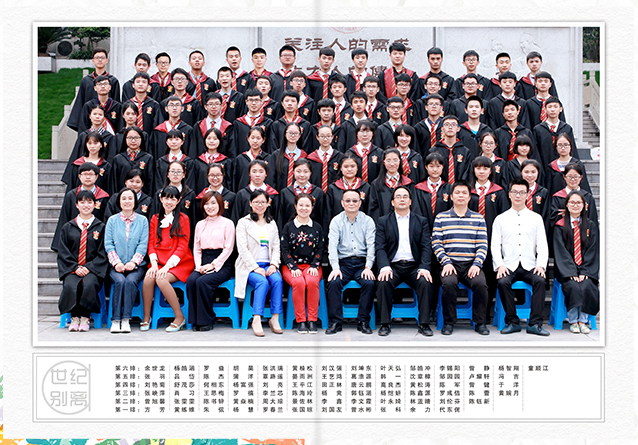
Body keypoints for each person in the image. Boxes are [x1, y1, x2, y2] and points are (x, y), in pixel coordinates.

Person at [492, 178, 549, 336]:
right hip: (508, 265)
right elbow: (495, 246)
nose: (518, 195)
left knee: (540, 281)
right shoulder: (500, 219)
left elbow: (542, 245)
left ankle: (535, 324)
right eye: (515, 192)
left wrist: (540, 265)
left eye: (522, 192)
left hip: (530, 265)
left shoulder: (536, 218)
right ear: (509, 194)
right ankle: (512, 322)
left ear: (527, 194)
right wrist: (500, 265)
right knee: (503, 282)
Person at [432, 180, 490, 336]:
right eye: (457, 192)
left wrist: (477, 264)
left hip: (471, 264)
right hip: (450, 264)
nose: (461, 196)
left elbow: (482, 245)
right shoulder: (441, 218)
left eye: (464, 193)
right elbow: (436, 243)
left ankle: (480, 322)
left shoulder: (478, 218)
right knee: (449, 284)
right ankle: (449, 323)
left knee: (480, 284)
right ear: (451, 196)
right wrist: (446, 262)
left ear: (470, 197)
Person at [376, 186, 434, 337]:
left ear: (410, 201)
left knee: (425, 282)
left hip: (414, 266)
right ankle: (385, 323)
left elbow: (426, 246)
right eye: (398, 197)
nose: (402, 199)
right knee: (383, 282)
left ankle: (424, 324)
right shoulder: (383, 221)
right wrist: (384, 266)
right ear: (392, 202)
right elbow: (380, 247)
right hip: (393, 266)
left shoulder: (421, 221)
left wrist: (424, 267)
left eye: (405, 197)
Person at [142, 185, 195, 332]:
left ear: (178, 201)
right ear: (161, 199)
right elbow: (151, 243)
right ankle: (146, 317)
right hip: (158, 261)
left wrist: (167, 267)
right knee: (148, 278)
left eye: (172, 199)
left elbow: (183, 246)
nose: (169, 202)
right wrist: (154, 264)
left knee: (161, 279)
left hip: (179, 263)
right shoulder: (155, 218)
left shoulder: (183, 219)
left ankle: (179, 316)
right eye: (166, 198)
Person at [326, 189, 376, 335]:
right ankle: (336, 322)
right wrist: (335, 268)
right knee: (333, 283)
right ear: (342, 203)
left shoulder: (368, 221)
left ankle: (363, 321)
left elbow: (371, 245)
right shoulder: (336, 221)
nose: (351, 203)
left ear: (360, 203)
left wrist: (368, 267)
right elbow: (332, 246)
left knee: (369, 283)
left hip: (362, 264)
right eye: (348, 201)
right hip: (343, 264)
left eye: (355, 201)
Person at [57, 190, 109, 332]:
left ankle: (85, 317)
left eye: (89, 202)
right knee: (71, 284)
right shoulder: (68, 227)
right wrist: (75, 267)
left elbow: (103, 253)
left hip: (92, 269)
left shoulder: (101, 227)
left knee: (89, 284)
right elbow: (63, 252)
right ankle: (74, 317)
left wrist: (88, 267)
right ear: (76, 205)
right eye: (82, 202)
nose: (86, 205)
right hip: (72, 268)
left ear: (95, 204)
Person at [235, 189, 284, 337]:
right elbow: (242, 249)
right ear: (250, 203)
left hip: (268, 264)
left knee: (277, 280)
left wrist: (274, 264)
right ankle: (256, 319)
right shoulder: (243, 223)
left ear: (268, 203)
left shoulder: (271, 223)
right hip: (249, 266)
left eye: (263, 202)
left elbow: (276, 246)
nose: (260, 205)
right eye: (256, 202)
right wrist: (255, 267)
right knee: (262, 282)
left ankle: (275, 318)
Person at [185, 190, 235, 331]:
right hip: (203, 260)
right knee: (191, 280)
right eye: (206, 204)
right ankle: (195, 319)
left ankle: (206, 319)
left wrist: (213, 265)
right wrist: (198, 266)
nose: (210, 207)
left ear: (220, 205)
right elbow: (197, 248)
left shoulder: (228, 223)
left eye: (213, 203)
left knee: (203, 282)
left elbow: (229, 248)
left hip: (222, 263)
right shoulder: (200, 224)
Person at [553, 190, 599, 334]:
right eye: (572, 202)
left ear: (584, 205)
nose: (575, 205)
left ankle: (583, 321)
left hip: (586, 268)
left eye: (579, 202)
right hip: (566, 270)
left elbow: (593, 251)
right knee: (572, 285)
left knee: (587, 285)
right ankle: (573, 321)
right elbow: (561, 252)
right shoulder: (559, 226)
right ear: (566, 205)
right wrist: (571, 272)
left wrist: (585, 271)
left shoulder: (590, 225)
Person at [104, 187, 149, 333]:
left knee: (130, 281)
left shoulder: (143, 220)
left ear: (135, 201)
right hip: (115, 265)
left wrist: (133, 262)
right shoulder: (112, 220)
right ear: (119, 201)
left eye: (130, 198)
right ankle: (116, 320)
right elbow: (108, 244)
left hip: (137, 265)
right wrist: (117, 263)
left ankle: (126, 319)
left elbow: (143, 244)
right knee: (120, 281)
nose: (127, 201)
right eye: (124, 198)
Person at [280, 193, 325, 334]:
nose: (304, 208)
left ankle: (312, 320)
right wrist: (292, 267)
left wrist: (315, 265)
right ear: (295, 206)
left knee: (312, 282)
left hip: (311, 266)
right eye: (301, 205)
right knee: (298, 282)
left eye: (307, 205)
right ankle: (301, 321)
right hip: (291, 266)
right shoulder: (288, 227)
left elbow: (320, 249)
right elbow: (284, 250)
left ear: (312, 207)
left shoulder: (317, 227)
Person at [51, 163, 110, 253]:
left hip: (95, 239)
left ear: (96, 177)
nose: (88, 177)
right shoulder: (71, 195)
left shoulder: (104, 197)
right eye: (84, 174)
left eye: (91, 174)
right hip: (74, 237)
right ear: (79, 176)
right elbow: (65, 217)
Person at [67, 48, 121, 131]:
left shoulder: (113, 81)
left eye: (102, 58)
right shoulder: (86, 81)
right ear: (93, 60)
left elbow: (116, 102)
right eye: (97, 58)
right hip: (89, 121)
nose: (100, 60)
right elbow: (80, 101)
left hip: (109, 122)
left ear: (106, 60)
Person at [324, 153, 371, 229]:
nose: (349, 169)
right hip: (338, 229)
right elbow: (328, 213)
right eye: (346, 166)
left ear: (357, 168)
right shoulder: (333, 188)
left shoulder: (366, 187)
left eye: (352, 166)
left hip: (360, 229)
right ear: (341, 168)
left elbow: (369, 211)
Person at [153, 160, 197, 237]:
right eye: (172, 171)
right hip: (162, 235)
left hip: (183, 234)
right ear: (167, 174)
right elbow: (155, 216)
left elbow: (193, 218)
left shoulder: (190, 194)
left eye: (179, 172)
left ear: (184, 175)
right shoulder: (159, 194)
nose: (175, 174)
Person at [368, 148, 415, 221]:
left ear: (400, 161)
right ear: (384, 162)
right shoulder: (376, 184)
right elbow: (373, 209)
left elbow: (414, 207)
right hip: (383, 224)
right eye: (388, 160)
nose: (392, 164)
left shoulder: (408, 183)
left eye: (395, 160)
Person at [277, 158, 324, 230]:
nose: (302, 175)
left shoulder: (318, 192)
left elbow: (321, 216)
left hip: (313, 231)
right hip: (290, 231)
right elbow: (280, 217)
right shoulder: (285, 192)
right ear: (293, 172)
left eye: (305, 172)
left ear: (310, 173)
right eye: (298, 171)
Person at [62, 130, 112, 194]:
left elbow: (109, 189)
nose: (92, 146)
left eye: (95, 143)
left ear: (101, 145)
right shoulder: (77, 165)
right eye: (89, 143)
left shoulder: (106, 166)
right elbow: (71, 187)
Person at [533, 97, 577, 168]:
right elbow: (535, 152)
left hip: (564, 168)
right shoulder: (538, 130)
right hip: (544, 167)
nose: (552, 109)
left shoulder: (567, 128)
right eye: (549, 107)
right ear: (545, 110)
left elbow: (573, 150)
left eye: (555, 106)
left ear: (560, 109)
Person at [549, 163, 598, 227]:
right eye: (569, 176)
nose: (572, 179)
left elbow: (593, 218)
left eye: (576, 176)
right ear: (564, 177)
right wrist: (566, 214)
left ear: (581, 177)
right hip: (563, 231)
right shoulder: (557, 197)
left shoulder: (588, 197)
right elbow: (552, 218)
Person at [110, 126, 154, 196]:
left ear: (141, 139)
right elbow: (114, 183)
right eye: (130, 138)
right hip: (123, 199)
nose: (133, 141)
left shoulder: (148, 158)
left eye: (136, 138)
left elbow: (150, 183)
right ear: (125, 139)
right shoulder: (118, 159)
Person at [232, 159, 279, 224]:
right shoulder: (242, 194)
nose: (257, 175)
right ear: (249, 173)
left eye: (261, 172)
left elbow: (277, 217)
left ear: (266, 173)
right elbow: (236, 216)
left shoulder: (273, 194)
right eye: (254, 171)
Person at [429, 115, 471, 184]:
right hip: (440, 187)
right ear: (442, 128)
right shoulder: (434, 151)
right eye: (447, 124)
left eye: (453, 125)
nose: (450, 127)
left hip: (460, 188)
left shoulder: (465, 151)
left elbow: (467, 173)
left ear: (458, 129)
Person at [233, 88, 275, 157]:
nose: (254, 103)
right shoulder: (238, 123)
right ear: (246, 101)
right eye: (251, 100)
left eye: (256, 100)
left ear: (261, 101)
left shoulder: (268, 123)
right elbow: (234, 147)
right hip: (242, 160)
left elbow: (270, 146)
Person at [151, 98, 193, 165]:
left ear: (182, 108)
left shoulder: (188, 130)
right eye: (171, 105)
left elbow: (191, 152)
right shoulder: (158, 130)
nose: (174, 108)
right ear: (166, 109)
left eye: (177, 105)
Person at [192, 92, 234, 158]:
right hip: (201, 163)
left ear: (221, 106)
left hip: (223, 162)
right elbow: (193, 149)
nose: (214, 107)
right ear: (205, 107)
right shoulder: (198, 126)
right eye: (210, 104)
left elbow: (232, 150)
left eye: (217, 104)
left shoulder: (228, 127)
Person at [268, 122, 308, 192]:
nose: (293, 135)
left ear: (299, 135)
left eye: (296, 133)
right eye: (290, 133)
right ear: (285, 134)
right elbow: (271, 178)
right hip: (279, 194)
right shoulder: (276, 155)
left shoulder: (304, 156)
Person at [193, 127, 232, 196]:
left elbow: (229, 183)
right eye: (209, 138)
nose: (211, 141)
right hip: (201, 198)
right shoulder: (198, 162)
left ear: (220, 141)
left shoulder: (226, 162)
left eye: (215, 139)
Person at [154, 130, 195, 194]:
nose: (173, 142)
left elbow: (190, 182)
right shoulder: (161, 162)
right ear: (166, 142)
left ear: (182, 142)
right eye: (170, 139)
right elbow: (158, 182)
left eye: (177, 139)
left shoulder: (189, 162)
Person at [232, 126, 270, 192]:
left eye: (258, 138)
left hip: (263, 195)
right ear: (248, 138)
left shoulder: (268, 158)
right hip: (244, 194)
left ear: (263, 140)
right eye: (252, 138)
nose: (255, 141)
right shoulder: (240, 159)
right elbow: (236, 180)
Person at [345, 119, 383, 184]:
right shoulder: (350, 153)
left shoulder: (379, 152)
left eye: (368, 131)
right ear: (357, 134)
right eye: (362, 131)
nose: (365, 134)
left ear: (373, 133)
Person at [307, 125, 344, 192]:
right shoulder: (311, 158)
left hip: (335, 192)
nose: (325, 139)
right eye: (322, 136)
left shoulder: (339, 157)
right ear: (317, 137)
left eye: (328, 136)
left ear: (332, 137)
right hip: (315, 193)